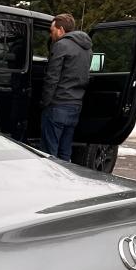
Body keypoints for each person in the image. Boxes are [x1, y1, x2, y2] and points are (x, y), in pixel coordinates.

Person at [40, 13, 93, 162]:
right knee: (65, 152)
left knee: (49, 153)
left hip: (57, 105)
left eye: (52, 31)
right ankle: (65, 179)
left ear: (61, 29)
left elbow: (52, 78)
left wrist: (45, 102)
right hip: (75, 106)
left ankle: (50, 181)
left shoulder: (61, 45)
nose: (51, 35)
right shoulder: (87, 48)